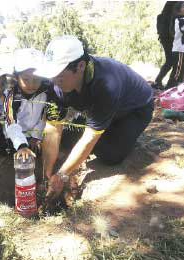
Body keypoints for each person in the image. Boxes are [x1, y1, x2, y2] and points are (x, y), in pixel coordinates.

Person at [35, 35, 154, 201]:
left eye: (60, 75)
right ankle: (102, 128)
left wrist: (62, 175)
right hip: (100, 109)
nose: (55, 81)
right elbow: (54, 128)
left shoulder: (107, 83)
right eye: (52, 75)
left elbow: (91, 135)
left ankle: (123, 136)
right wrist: (47, 173)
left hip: (134, 110)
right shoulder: (56, 86)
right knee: (68, 139)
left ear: (81, 66)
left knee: (111, 155)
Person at [4, 48, 66, 160]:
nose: (31, 84)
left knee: (44, 148)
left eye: (36, 79)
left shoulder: (47, 91)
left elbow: (45, 116)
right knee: (21, 156)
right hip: (17, 135)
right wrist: (22, 145)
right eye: (26, 79)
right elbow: (10, 122)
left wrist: (36, 136)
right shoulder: (11, 96)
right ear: (16, 78)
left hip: (37, 132)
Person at [166, 1, 184, 89]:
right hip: (180, 51)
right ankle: (168, 89)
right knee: (177, 72)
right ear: (179, 11)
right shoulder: (179, 20)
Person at [151, 1, 179, 89]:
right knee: (174, 63)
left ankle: (158, 81)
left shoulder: (160, 17)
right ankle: (169, 84)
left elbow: (160, 31)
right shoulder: (172, 17)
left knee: (170, 62)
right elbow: (172, 32)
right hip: (171, 42)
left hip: (165, 42)